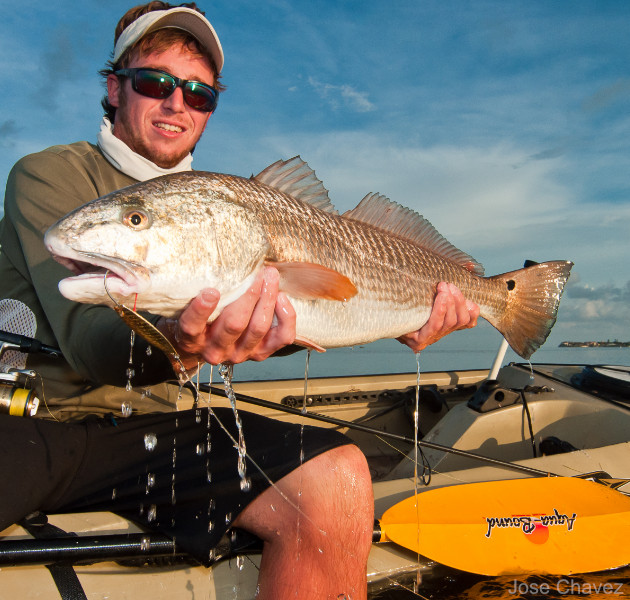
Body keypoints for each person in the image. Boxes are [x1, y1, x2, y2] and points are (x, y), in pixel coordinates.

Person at [0, 2, 479, 598]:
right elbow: (90, 342)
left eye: (200, 94)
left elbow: (296, 317)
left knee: (338, 474)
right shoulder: (49, 176)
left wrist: (409, 313)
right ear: (114, 88)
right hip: (39, 424)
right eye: (155, 82)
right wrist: (181, 340)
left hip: (158, 430)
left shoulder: (231, 205)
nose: (177, 103)